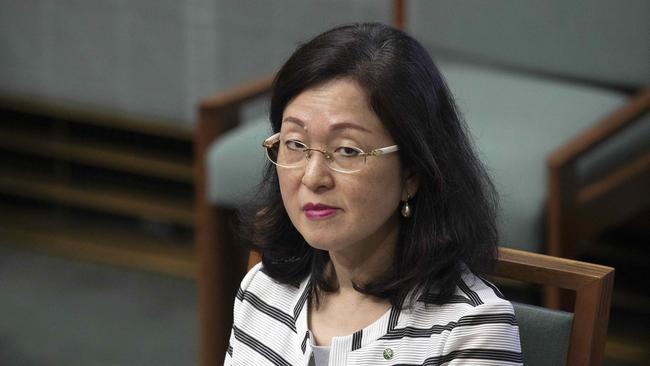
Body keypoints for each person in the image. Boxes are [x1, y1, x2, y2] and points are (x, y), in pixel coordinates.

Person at [225, 23, 522, 366]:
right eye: (295, 144)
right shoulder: (264, 288)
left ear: (411, 173)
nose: (313, 177)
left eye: (347, 151)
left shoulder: (470, 330)